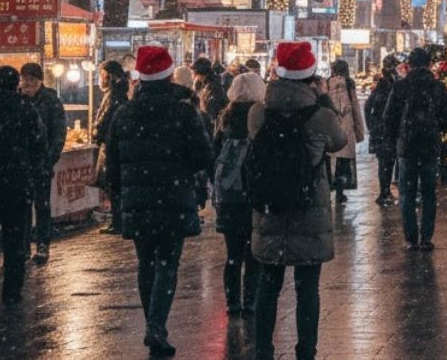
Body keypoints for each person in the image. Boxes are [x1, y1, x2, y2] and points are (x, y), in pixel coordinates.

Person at [106, 46, 215, 356]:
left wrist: (122, 190)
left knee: (146, 263)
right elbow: (204, 155)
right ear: (169, 75)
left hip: (137, 200)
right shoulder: (183, 111)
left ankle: (151, 324)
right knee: (167, 262)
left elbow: (112, 162)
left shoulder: (124, 113)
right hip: (173, 197)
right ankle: (156, 325)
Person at [247, 41, 347, 360]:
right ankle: (306, 352)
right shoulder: (319, 115)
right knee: (307, 290)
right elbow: (339, 142)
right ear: (310, 76)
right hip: (309, 208)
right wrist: (326, 102)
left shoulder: (259, 112)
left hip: (270, 208)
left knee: (267, 285)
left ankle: (263, 350)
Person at [0, 66, 45, 307]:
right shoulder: (25, 107)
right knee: (15, 241)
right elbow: (39, 143)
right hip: (16, 185)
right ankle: (12, 292)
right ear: (15, 82)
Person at [383, 46, 447, 250]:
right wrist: (435, 127)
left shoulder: (400, 87)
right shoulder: (438, 87)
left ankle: (410, 238)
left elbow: (389, 119)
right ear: (430, 64)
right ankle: (426, 238)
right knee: (429, 193)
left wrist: (399, 135)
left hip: (407, 147)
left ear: (410, 65)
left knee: (407, 192)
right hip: (430, 146)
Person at [213, 70, 265, 316]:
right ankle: (250, 301)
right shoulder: (261, 116)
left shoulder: (226, 117)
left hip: (229, 196)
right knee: (253, 254)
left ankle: (232, 302)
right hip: (253, 194)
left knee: (232, 254)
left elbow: (213, 155)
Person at [18, 62, 66, 265]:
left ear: (39, 81)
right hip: (20, 164)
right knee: (22, 207)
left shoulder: (50, 101)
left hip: (41, 163)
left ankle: (43, 244)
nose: (27, 84)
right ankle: (23, 246)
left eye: (30, 80)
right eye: (24, 79)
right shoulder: (19, 101)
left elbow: (58, 133)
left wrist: (49, 158)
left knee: (42, 205)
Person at [93, 60, 131, 234]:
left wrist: (96, 133)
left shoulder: (114, 96)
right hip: (113, 144)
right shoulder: (116, 93)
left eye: (102, 75)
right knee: (114, 185)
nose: (100, 79)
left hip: (111, 146)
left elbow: (106, 119)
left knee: (114, 185)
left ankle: (118, 222)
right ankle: (119, 221)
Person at [326, 60, 366, 206]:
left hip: (331, 126)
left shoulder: (327, 83)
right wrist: (359, 132)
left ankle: (329, 188)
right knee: (343, 164)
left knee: (330, 161)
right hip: (346, 129)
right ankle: (340, 192)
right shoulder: (349, 85)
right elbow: (355, 108)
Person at [363, 55, 399, 206]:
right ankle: (385, 192)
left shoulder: (383, 86)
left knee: (385, 162)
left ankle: (384, 192)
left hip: (382, 130)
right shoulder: (391, 85)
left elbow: (368, 106)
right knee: (388, 162)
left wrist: (372, 125)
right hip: (388, 130)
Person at [192, 57, 229, 127]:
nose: (193, 75)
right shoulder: (200, 83)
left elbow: (214, 108)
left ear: (199, 72)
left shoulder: (214, 85)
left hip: (211, 121)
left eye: (194, 73)